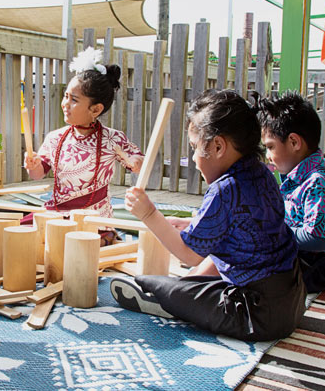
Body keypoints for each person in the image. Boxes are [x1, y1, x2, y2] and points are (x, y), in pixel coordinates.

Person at [110, 89, 306, 341]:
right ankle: (186, 288)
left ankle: (166, 300)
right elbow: (246, 224)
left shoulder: (225, 189)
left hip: (256, 313)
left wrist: (148, 213)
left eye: (194, 148)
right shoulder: (262, 172)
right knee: (207, 265)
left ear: (217, 145)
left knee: (154, 284)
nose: (192, 158)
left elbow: (189, 254)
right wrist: (190, 224)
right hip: (293, 296)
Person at [24, 48, 143, 243]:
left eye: (74, 100)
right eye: (65, 96)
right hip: (57, 212)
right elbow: (37, 174)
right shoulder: (55, 138)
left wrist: (136, 161)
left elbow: (138, 163)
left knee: (78, 244)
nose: (65, 103)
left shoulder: (112, 139)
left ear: (95, 109)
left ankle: (106, 235)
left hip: (93, 217)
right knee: (23, 234)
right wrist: (33, 165)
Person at [258, 92, 325, 293]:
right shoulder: (299, 175)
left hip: (317, 266)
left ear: (294, 143)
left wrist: (272, 233)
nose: (267, 155)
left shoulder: (318, 182)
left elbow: (318, 239)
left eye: (270, 147)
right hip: (304, 256)